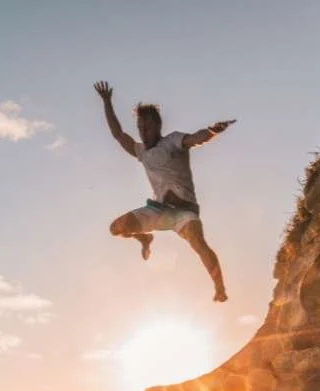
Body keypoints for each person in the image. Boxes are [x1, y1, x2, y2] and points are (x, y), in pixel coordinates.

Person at [94, 80, 235, 302]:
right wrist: (107, 101)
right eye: (140, 127)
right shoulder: (141, 152)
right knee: (116, 228)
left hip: (185, 211)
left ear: (158, 126)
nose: (144, 131)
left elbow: (195, 139)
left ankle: (220, 288)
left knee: (199, 244)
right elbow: (118, 134)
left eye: (148, 127)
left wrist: (211, 131)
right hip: (159, 211)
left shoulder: (173, 141)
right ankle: (144, 239)